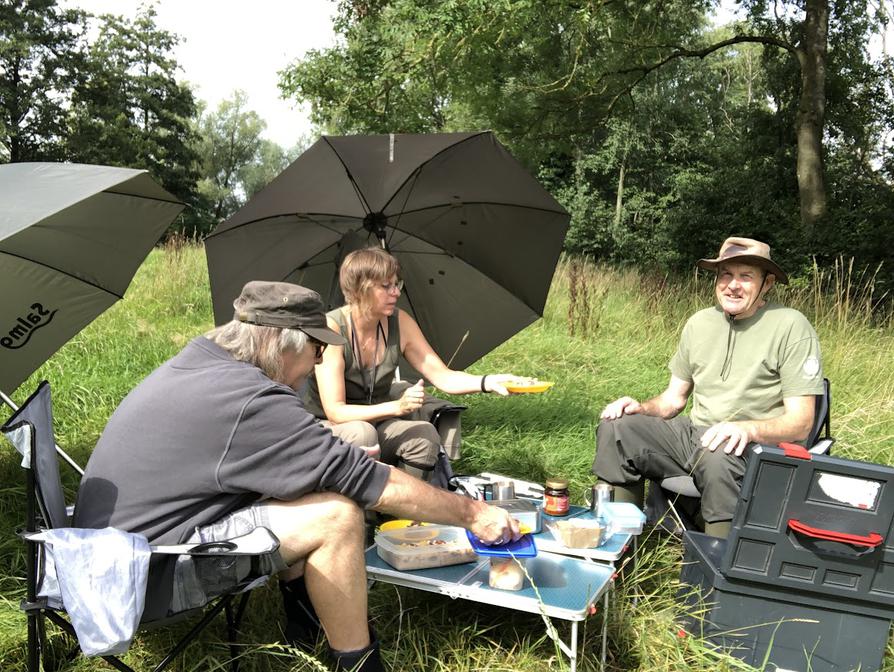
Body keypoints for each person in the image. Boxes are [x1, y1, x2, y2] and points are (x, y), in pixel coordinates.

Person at [73, 280, 520, 672]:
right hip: (137, 579)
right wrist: (475, 512)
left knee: (314, 484)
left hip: (103, 554)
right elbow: (372, 484)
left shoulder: (202, 363)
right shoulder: (250, 399)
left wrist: (324, 455)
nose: (318, 362)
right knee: (336, 515)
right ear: (280, 343)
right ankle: (360, 664)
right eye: (318, 349)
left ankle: (305, 626)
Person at [592, 237, 824, 538]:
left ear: (767, 284)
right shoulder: (699, 323)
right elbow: (673, 400)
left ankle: (715, 567)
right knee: (618, 428)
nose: (733, 285)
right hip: (696, 434)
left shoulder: (791, 325)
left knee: (718, 454)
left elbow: (801, 423)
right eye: (726, 274)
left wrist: (747, 429)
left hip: (758, 444)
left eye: (746, 276)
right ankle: (620, 550)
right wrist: (641, 407)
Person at [305, 246, 525, 481]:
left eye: (396, 284)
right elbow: (336, 411)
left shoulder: (399, 322)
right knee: (362, 432)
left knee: (424, 434)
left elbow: (443, 376)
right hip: (327, 427)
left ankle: (404, 508)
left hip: (376, 422)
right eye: (386, 286)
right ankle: (364, 514)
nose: (396, 293)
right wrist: (397, 407)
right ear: (361, 288)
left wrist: (489, 381)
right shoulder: (332, 328)